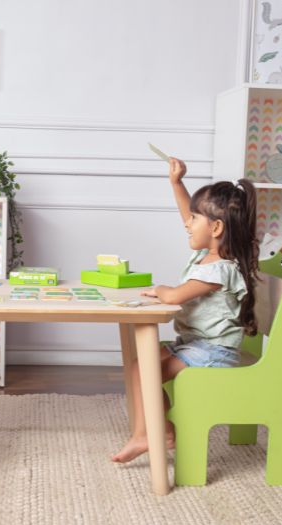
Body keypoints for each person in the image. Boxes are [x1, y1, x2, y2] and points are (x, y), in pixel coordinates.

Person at [111, 157, 259, 463]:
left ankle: (152, 434)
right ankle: (157, 432)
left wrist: (161, 290)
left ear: (216, 227)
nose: (187, 224)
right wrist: (176, 183)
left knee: (145, 370)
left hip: (214, 352)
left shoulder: (219, 270)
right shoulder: (210, 254)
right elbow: (189, 218)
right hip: (196, 345)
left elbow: (175, 296)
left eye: (194, 219)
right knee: (142, 366)